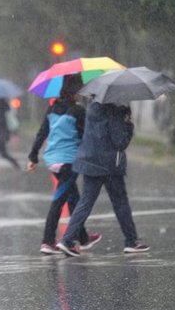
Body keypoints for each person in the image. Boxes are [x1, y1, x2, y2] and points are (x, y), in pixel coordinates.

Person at [56, 101, 149, 256]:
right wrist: (129, 126)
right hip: (109, 165)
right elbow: (120, 141)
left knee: (85, 202)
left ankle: (67, 240)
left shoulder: (93, 107)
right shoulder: (115, 111)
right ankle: (131, 241)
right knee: (120, 202)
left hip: (90, 161)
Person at [27, 75, 91, 254]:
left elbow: (42, 133)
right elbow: (86, 135)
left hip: (52, 159)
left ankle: (84, 237)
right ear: (76, 90)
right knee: (59, 201)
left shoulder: (52, 108)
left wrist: (33, 156)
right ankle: (48, 241)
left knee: (73, 198)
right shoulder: (78, 111)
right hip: (69, 161)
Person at [0, 97, 20, 177]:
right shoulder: (2, 111)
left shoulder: (0, 112)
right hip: (0, 136)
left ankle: (16, 164)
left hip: (0, 136)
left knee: (2, 154)